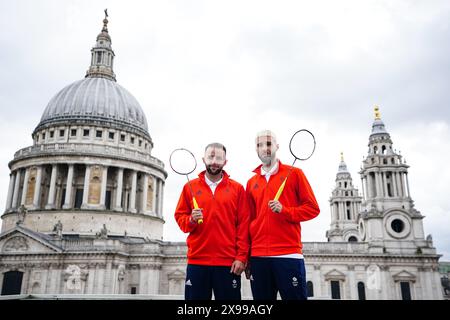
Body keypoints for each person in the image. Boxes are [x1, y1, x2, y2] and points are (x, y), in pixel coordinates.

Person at [246, 130, 320, 300]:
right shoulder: (251, 182)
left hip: (288, 255)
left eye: (269, 144)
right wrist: (247, 256)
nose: (265, 148)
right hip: (258, 257)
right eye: (260, 145)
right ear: (256, 149)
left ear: (277, 146)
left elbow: (313, 209)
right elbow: (248, 221)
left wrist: (285, 210)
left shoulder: (295, 174)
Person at [174, 142, 250, 300]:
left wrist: (241, 257)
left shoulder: (238, 189)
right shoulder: (189, 187)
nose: (214, 161)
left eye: (219, 158)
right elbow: (180, 219)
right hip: (197, 262)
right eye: (211, 157)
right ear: (203, 159)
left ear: (225, 161)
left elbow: (243, 226)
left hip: (228, 264)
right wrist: (191, 220)